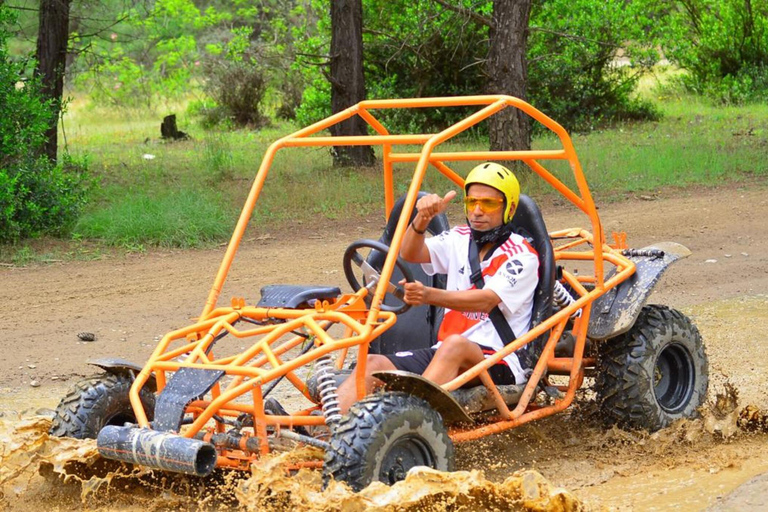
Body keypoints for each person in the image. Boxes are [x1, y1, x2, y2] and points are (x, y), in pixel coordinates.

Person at [337, 162, 540, 414]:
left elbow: (486, 300)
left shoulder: (522, 256)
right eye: (471, 203)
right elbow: (411, 253)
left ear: (508, 208)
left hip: (501, 359)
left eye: (488, 204)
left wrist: (429, 295)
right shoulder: (459, 238)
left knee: (455, 344)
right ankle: (328, 434)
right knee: (372, 362)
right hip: (444, 352)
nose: (477, 211)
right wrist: (422, 219)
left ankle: (406, 424)